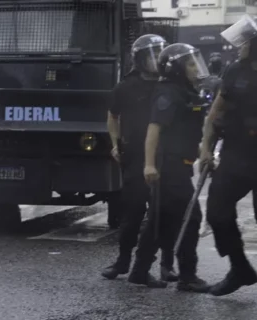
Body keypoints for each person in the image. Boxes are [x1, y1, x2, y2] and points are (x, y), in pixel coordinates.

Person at [101, 34, 178, 284]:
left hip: (167, 155)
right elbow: (113, 116)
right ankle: (123, 262)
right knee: (132, 212)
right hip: (134, 157)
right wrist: (114, 143)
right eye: (151, 55)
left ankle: (167, 264)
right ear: (140, 59)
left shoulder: (169, 84)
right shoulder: (125, 87)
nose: (157, 59)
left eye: (160, 53)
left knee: (165, 213)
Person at [137, 43, 213, 292]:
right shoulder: (169, 93)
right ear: (176, 68)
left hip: (180, 164)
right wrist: (149, 165)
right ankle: (188, 277)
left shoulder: (186, 91)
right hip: (167, 165)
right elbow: (153, 129)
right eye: (190, 63)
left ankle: (139, 271)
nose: (195, 67)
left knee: (161, 219)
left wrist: (204, 151)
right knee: (191, 219)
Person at [199, 15, 257, 296]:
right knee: (217, 211)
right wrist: (206, 148)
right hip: (236, 154)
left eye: (246, 41)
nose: (240, 45)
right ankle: (240, 268)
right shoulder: (236, 70)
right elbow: (216, 112)